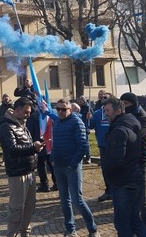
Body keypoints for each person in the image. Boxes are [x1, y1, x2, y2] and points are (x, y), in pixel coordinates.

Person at [43, 99, 100, 237]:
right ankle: (70, 229)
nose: (61, 112)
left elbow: (83, 146)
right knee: (64, 200)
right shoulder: (57, 122)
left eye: (64, 109)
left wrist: (73, 164)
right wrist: (53, 160)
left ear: (71, 110)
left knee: (77, 200)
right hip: (59, 166)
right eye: (59, 109)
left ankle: (93, 229)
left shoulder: (77, 122)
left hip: (71, 167)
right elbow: (55, 143)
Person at [102, 97, 146, 237]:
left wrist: (106, 169)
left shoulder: (119, 130)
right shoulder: (131, 123)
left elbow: (116, 159)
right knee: (134, 219)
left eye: (108, 111)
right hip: (134, 177)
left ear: (117, 111)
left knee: (123, 223)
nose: (105, 114)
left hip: (124, 181)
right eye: (104, 110)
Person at [0, 97, 43, 237]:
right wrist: (33, 148)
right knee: (17, 208)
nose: (28, 115)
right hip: (17, 173)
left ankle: (25, 232)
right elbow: (11, 149)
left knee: (29, 207)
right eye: (26, 112)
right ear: (17, 110)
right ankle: (12, 234)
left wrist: (34, 148)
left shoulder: (21, 124)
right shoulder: (6, 126)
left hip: (29, 170)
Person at [120, 92, 146, 234]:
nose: (124, 107)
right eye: (122, 104)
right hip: (126, 163)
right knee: (128, 201)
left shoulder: (143, 118)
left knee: (142, 201)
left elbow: (137, 136)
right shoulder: (123, 117)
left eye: (126, 104)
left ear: (133, 104)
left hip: (140, 163)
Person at [26, 103, 55, 193]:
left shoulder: (34, 116)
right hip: (48, 142)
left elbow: (29, 131)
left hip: (40, 143)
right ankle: (56, 183)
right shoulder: (51, 114)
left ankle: (44, 184)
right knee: (50, 164)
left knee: (41, 164)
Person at [88, 92, 112, 202]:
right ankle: (109, 191)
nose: (103, 99)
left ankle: (117, 191)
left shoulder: (115, 111)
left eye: (105, 97)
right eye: (101, 98)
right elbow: (91, 126)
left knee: (115, 170)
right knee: (105, 169)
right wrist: (89, 118)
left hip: (114, 145)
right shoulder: (97, 113)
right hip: (103, 145)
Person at [77, 96, 93, 164]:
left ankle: (88, 157)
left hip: (85, 126)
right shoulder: (77, 107)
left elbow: (92, 116)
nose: (80, 101)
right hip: (77, 127)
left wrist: (90, 116)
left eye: (82, 100)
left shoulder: (88, 108)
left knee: (86, 143)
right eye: (79, 99)